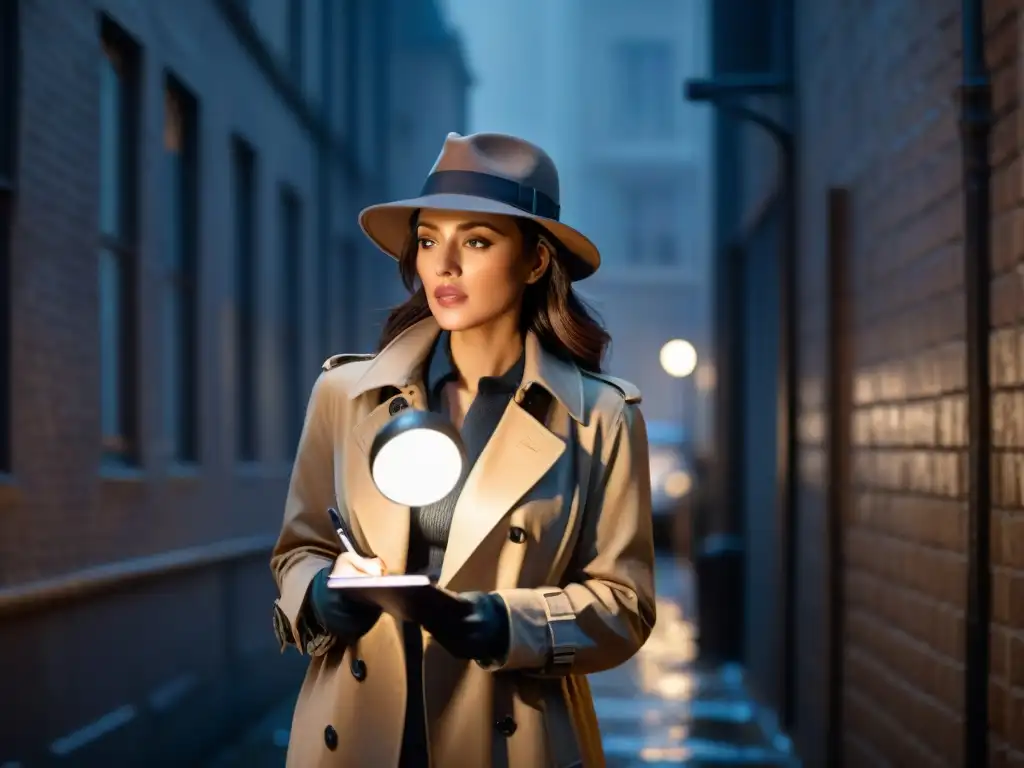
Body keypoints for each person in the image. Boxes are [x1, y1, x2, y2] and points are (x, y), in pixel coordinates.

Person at [271, 132, 657, 768]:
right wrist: (321, 594)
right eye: (427, 241)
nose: (443, 265)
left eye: (476, 241)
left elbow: (625, 605)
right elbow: (299, 548)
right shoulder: (346, 394)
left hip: (509, 735)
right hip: (358, 733)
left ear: (535, 262)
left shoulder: (598, 418)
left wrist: (504, 623)